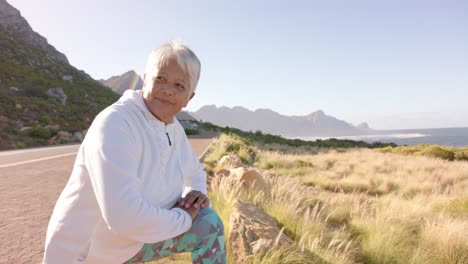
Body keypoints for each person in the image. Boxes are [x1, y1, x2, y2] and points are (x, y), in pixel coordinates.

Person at [43, 42, 226, 264]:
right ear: (146, 78)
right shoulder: (116, 123)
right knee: (198, 221)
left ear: (189, 97)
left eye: (179, 85)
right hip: (89, 254)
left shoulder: (174, 128)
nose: (168, 89)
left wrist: (196, 194)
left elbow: (194, 172)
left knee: (208, 223)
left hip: (132, 247)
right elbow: (123, 217)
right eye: (160, 79)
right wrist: (184, 217)